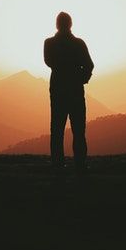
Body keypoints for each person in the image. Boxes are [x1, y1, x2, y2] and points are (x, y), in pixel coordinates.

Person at [43, 12, 94, 172]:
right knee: (78, 130)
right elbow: (89, 65)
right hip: (75, 91)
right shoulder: (78, 44)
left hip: (58, 90)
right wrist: (80, 78)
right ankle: (80, 164)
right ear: (70, 24)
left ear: (57, 24)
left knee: (57, 130)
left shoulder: (49, 43)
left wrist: (65, 68)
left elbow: (49, 62)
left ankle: (57, 164)